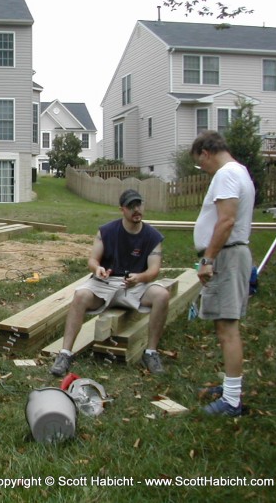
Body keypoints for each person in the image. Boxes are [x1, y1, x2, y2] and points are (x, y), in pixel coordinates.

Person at [50, 189, 170, 376]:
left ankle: (151, 352)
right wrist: (97, 269)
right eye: (131, 206)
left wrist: (139, 278)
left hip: (135, 285)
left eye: (139, 205)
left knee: (162, 295)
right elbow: (92, 260)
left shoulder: (152, 236)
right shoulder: (106, 231)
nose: (136, 209)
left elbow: (154, 270)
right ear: (122, 209)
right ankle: (65, 354)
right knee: (80, 295)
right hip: (105, 283)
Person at [191, 130, 254, 416]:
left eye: (200, 162)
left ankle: (231, 401)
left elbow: (226, 221)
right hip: (231, 254)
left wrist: (208, 259)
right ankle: (231, 387)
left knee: (228, 328)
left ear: (206, 152)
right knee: (225, 325)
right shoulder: (240, 171)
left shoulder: (226, 174)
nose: (202, 168)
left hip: (226, 256)